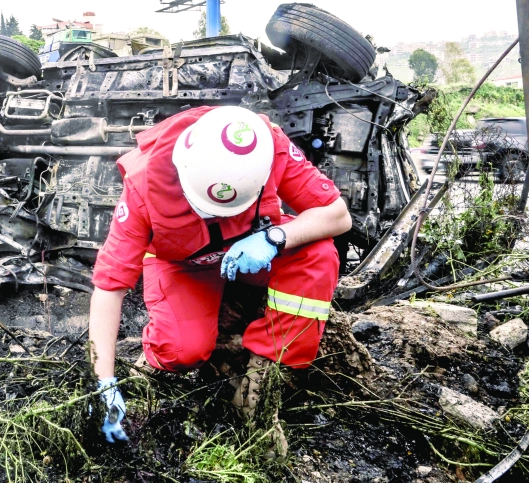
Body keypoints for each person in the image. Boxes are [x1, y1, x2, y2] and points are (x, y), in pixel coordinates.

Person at [88, 106, 352, 444]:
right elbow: (109, 287)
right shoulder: (143, 184)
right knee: (181, 351)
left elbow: (338, 215)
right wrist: (103, 383)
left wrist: (275, 238)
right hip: (185, 266)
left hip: (254, 255)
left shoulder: (267, 146)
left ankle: (259, 388)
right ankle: (154, 356)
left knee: (318, 254)